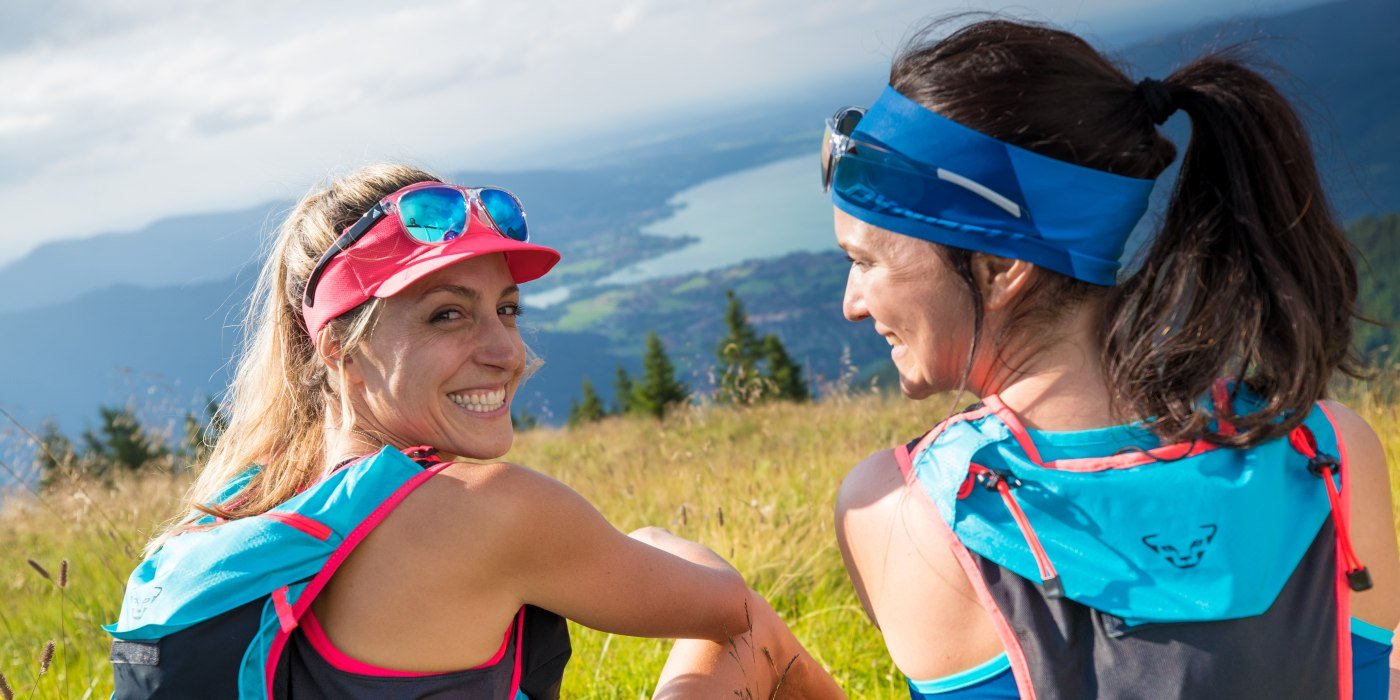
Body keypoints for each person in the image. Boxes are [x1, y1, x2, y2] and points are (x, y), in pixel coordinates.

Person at [827, 18, 1399, 699]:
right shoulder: (1329, 452)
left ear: (1001, 264)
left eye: (865, 262)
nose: (852, 304)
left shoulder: (903, 511)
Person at [106, 164, 805, 698]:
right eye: (447, 314)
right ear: (337, 347)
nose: (505, 351)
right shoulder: (486, 509)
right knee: (757, 635)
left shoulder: (246, 503)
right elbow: (728, 607)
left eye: (506, 309)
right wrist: (650, 543)